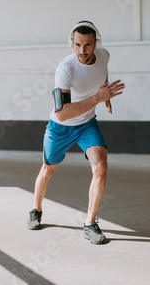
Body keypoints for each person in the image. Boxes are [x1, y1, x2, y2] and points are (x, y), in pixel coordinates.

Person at [27, 21, 125, 244]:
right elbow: (62, 114)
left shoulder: (104, 56)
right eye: (78, 44)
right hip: (60, 128)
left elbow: (101, 75)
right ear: (72, 44)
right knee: (47, 171)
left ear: (96, 44)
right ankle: (36, 209)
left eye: (88, 45)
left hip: (87, 124)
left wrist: (105, 94)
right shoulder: (66, 69)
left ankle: (90, 223)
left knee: (101, 167)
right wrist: (97, 98)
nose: (82, 50)